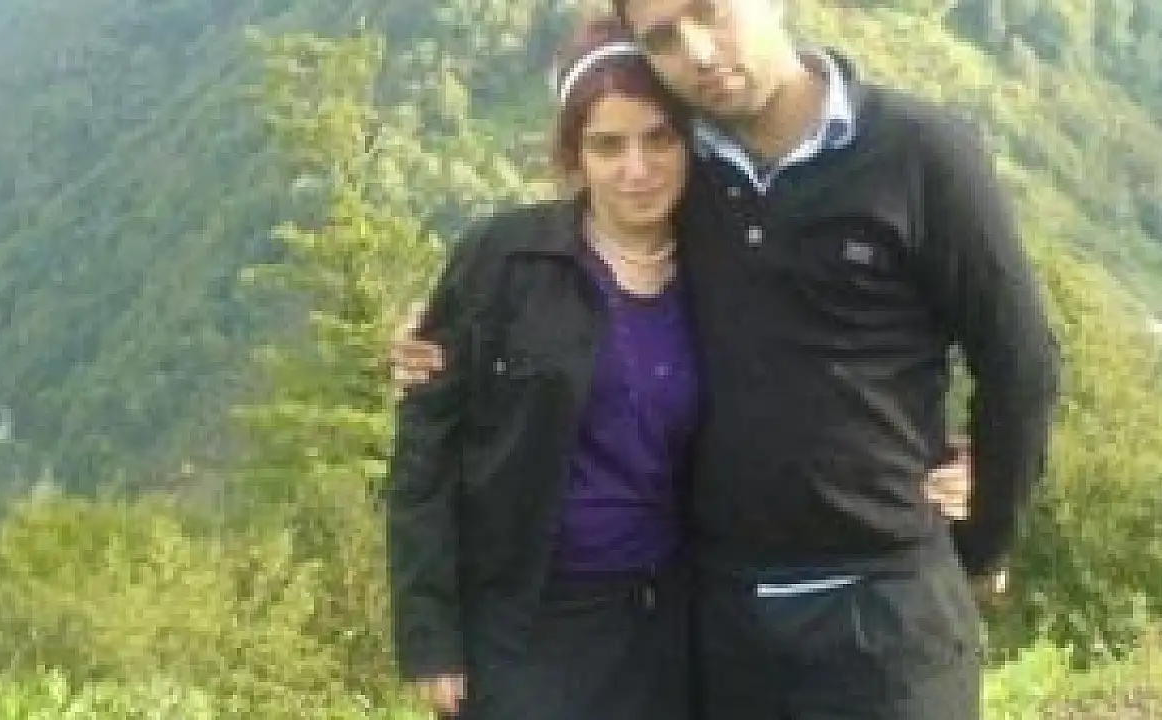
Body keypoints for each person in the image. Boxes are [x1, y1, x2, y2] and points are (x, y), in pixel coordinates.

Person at [394, 0, 1059, 716]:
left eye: (709, 12)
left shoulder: (922, 153)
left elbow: (1019, 361)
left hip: (887, 616)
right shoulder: (688, 173)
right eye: (663, 39)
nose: (699, 53)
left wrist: (983, 539)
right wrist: (436, 340)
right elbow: (590, 252)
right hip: (720, 620)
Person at [385, 18, 698, 720]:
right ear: (575, 154)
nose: (637, 168)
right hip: (525, 628)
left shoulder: (723, 270)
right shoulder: (504, 260)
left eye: (659, 138)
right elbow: (427, 452)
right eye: (608, 145)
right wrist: (432, 638)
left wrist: (934, 456)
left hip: (673, 622)